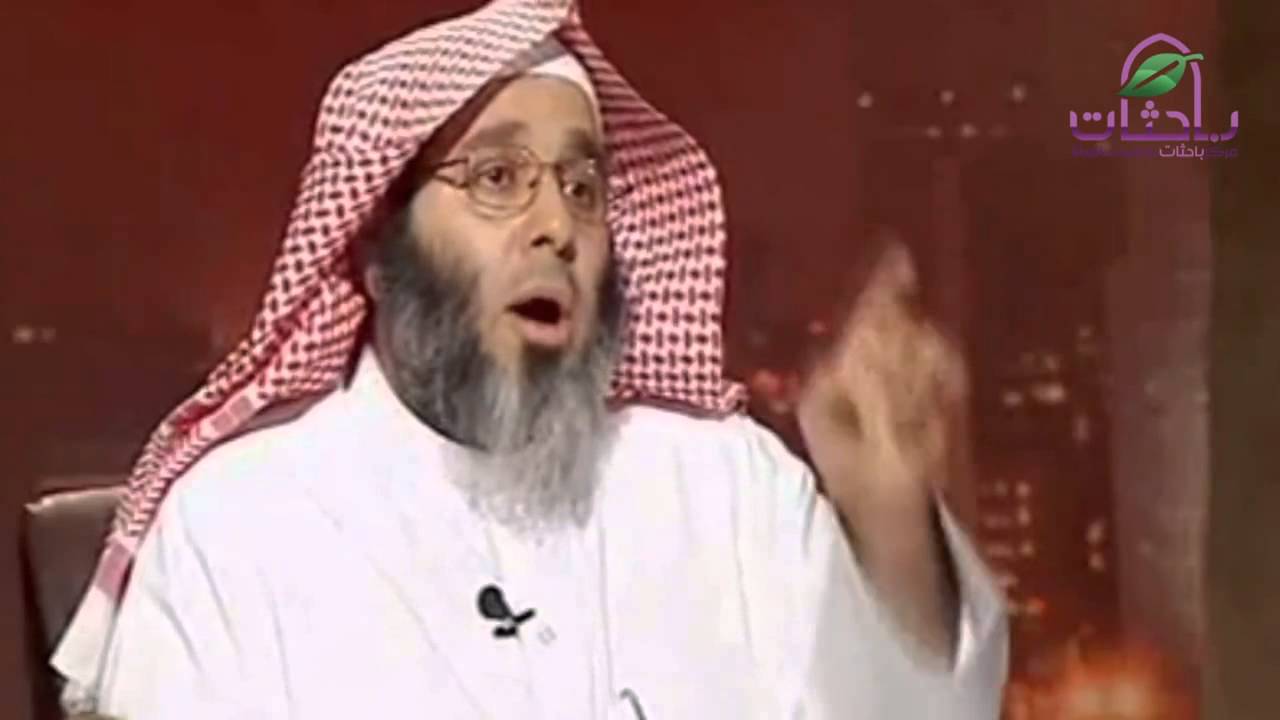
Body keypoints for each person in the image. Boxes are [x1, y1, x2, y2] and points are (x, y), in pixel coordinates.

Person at [52, 1, 1008, 717]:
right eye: (499, 177)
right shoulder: (240, 528)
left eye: (584, 186)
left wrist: (888, 519)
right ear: (377, 245)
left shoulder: (725, 487)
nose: (558, 224)